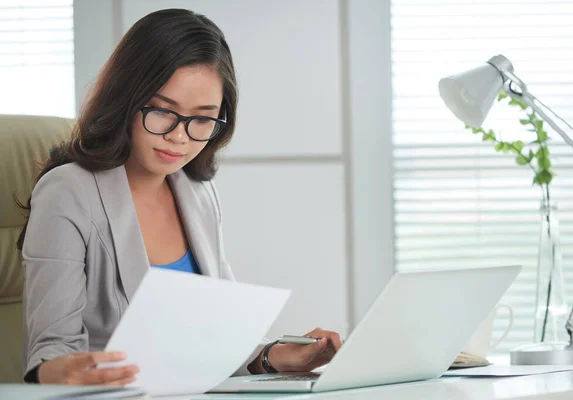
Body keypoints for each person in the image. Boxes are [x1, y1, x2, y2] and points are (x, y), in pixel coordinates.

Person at [18, 8, 342, 386]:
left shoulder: (198, 192)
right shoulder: (68, 192)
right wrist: (74, 372)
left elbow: (218, 339)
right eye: (163, 111)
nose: (180, 137)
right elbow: (51, 352)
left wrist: (272, 357)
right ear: (126, 99)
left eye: (202, 118)